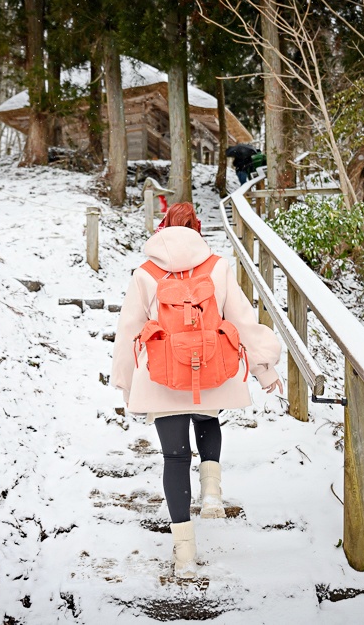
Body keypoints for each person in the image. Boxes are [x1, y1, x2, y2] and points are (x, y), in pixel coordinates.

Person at [111, 203, 283, 578]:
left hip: (160, 375)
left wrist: (126, 383)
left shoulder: (144, 273)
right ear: (197, 231)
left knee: (174, 459)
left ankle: (184, 555)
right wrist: (264, 369)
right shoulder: (218, 267)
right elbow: (242, 319)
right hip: (211, 369)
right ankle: (212, 493)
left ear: (161, 230)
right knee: (208, 415)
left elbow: (127, 331)